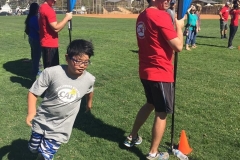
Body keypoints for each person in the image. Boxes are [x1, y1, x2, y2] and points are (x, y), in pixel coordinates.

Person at [123, 0, 184, 159]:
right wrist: (179, 26)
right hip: (160, 72)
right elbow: (178, 46)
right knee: (161, 112)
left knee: (150, 103)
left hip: (145, 70)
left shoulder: (142, 16)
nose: (169, 1)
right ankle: (153, 153)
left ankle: (132, 136)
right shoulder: (160, 15)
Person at [26, 39, 95, 160]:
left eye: (86, 62)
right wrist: (32, 112)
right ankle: (36, 149)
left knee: (45, 155)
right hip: (42, 120)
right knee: (33, 147)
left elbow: (89, 91)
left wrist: (89, 104)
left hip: (61, 128)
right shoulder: (51, 73)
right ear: (67, 58)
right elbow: (33, 92)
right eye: (78, 61)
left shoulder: (89, 79)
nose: (82, 65)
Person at [39, 0, 72, 69]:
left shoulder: (42, 7)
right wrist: (67, 18)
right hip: (50, 45)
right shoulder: (48, 10)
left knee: (50, 70)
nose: (55, 0)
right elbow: (56, 28)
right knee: (51, 71)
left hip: (46, 43)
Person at [24, 3, 42, 77]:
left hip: (31, 38)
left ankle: (35, 68)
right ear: (36, 9)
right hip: (35, 39)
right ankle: (35, 71)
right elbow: (39, 31)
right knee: (37, 56)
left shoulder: (31, 17)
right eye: (38, 8)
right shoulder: (34, 18)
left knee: (34, 55)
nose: (39, 9)